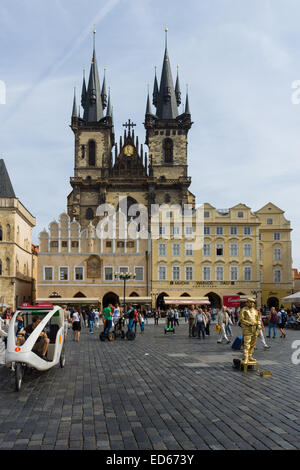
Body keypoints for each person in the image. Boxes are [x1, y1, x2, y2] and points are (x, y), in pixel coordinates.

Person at [240, 298, 261, 364]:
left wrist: (259, 324)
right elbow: (241, 319)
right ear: (247, 303)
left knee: (252, 344)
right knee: (247, 344)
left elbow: (258, 319)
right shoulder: (244, 310)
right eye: (250, 302)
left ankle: (250, 356)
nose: (251, 304)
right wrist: (249, 323)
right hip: (247, 329)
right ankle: (246, 357)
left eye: (253, 302)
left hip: (255, 329)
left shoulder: (255, 311)